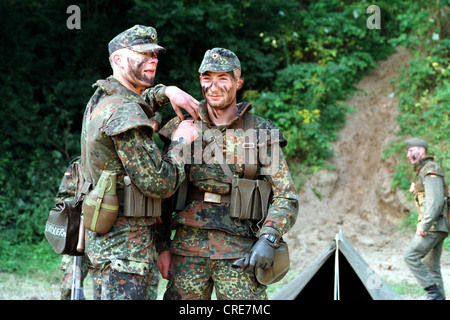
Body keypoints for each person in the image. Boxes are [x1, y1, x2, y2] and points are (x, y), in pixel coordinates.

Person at [158, 48, 299, 300]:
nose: (214, 86)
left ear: (238, 82)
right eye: (207, 77)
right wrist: (162, 246)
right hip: (186, 253)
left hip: (240, 254)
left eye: (223, 78)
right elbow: (162, 190)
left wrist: (268, 238)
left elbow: (285, 196)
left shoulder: (261, 132)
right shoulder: (181, 128)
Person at [80, 25, 198, 300]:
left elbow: (135, 102)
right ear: (118, 59)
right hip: (126, 251)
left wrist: (165, 92)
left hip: (108, 245)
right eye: (143, 53)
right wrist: (180, 143)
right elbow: (159, 183)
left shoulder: (104, 98)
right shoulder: (124, 112)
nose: (153, 59)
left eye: (156, 54)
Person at [404, 137, 449, 300]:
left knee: (410, 256)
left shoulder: (431, 169)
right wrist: (417, 189)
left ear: (421, 150)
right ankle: (438, 297)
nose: (408, 155)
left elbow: (436, 201)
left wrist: (424, 224)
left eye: (411, 151)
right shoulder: (423, 171)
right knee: (432, 268)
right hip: (437, 225)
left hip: (434, 225)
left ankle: (434, 292)